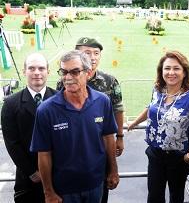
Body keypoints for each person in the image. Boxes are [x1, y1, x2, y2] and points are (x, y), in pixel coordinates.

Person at [30, 50, 119, 203]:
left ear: (88, 73)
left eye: (75, 72)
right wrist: (48, 192)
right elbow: (44, 154)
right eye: (63, 72)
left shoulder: (103, 101)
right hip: (64, 190)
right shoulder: (46, 110)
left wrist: (113, 171)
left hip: (96, 184)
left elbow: (108, 138)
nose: (68, 77)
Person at [128, 51, 189, 203]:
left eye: (176, 68)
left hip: (178, 158)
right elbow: (151, 107)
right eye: (167, 68)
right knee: (154, 197)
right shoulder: (158, 91)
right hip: (155, 155)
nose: (171, 72)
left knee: (176, 197)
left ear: (184, 72)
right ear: (161, 71)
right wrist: (134, 123)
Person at [57, 37, 124, 202]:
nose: (93, 57)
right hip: (73, 148)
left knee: (101, 188)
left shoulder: (109, 80)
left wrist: (120, 137)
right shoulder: (65, 80)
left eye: (96, 53)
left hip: (101, 145)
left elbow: (118, 109)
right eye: (87, 53)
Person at [1, 53, 57, 203]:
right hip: (28, 180)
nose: (37, 72)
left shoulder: (60, 99)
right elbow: (12, 143)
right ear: (24, 71)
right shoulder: (11, 104)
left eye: (41, 68)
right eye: (31, 68)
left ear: (48, 71)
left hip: (58, 175)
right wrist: (32, 172)